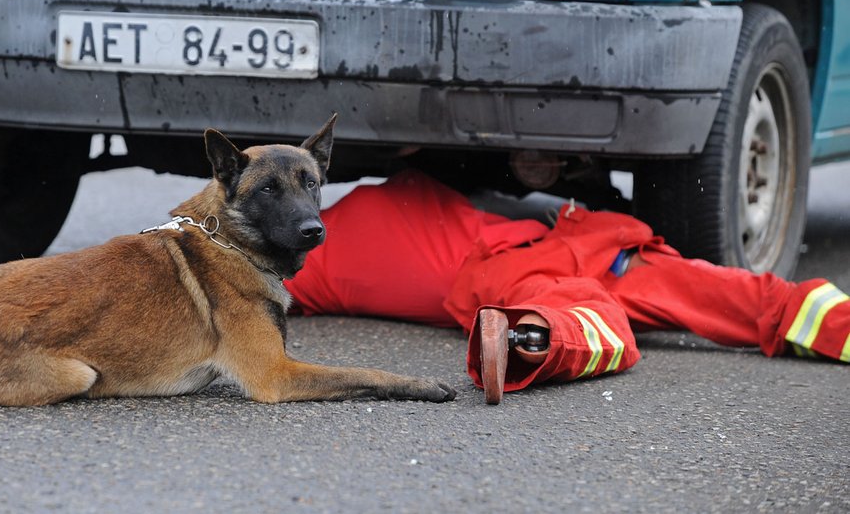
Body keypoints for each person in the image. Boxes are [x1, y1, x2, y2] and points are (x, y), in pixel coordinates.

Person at [283, 170, 850, 404]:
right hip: (566, 266)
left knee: (608, 318)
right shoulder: (348, 248)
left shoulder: (350, 242)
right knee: (609, 324)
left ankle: (530, 335)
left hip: (562, 259)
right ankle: (530, 336)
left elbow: (222, 251)